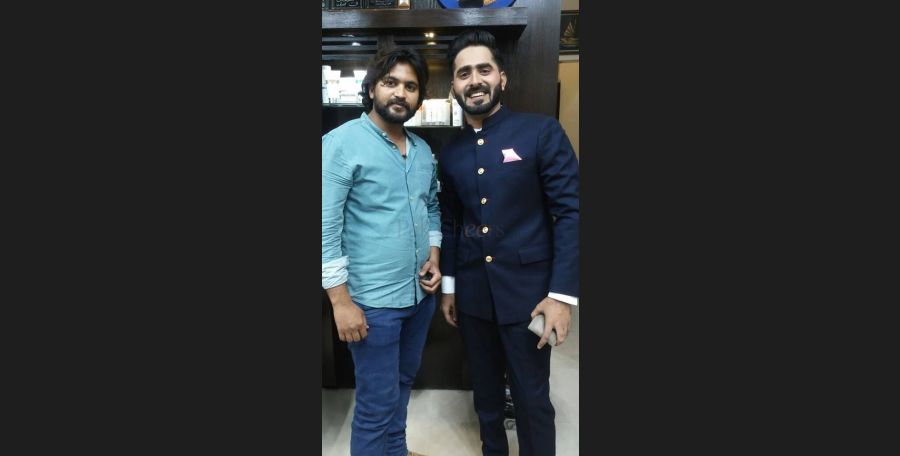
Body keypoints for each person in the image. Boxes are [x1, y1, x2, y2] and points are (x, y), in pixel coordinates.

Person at [437, 29, 579, 456]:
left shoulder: (540, 132)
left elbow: (571, 213)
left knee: (532, 400)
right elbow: (451, 221)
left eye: (484, 69)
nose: (474, 80)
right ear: (454, 86)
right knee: (485, 399)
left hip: (530, 296)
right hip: (474, 297)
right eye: (464, 73)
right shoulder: (451, 151)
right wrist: (450, 287)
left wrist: (561, 296)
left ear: (502, 77)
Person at [322, 47, 442, 456]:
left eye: (411, 86)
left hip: (419, 297)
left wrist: (434, 253)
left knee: (402, 387)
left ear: (420, 97)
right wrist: (340, 302)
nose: (400, 93)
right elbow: (324, 227)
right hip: (371, 304)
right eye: (391, 82)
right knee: (375, 405)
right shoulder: (340, 143)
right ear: (372, 88)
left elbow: (431, 206)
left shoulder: (422, 150)